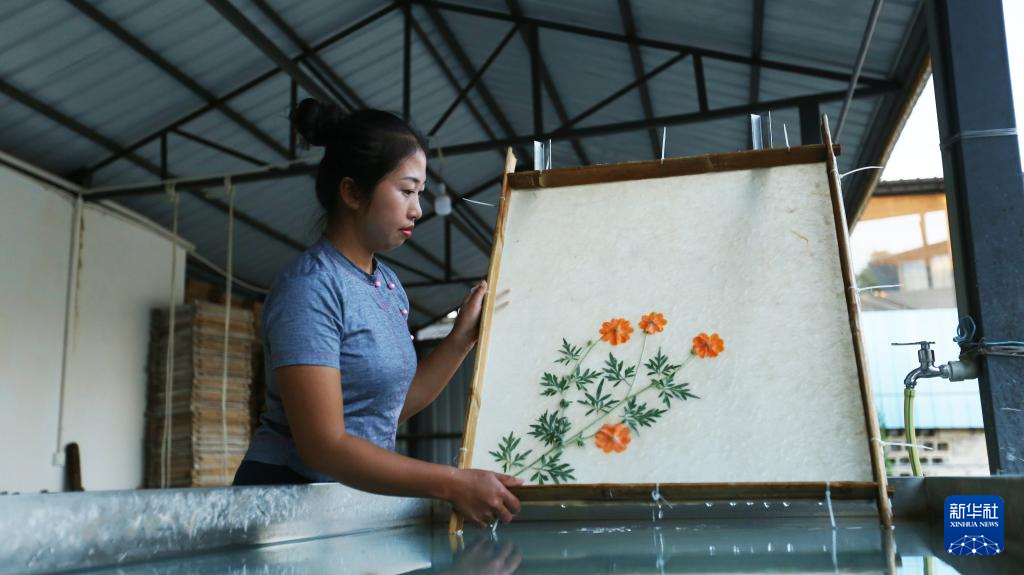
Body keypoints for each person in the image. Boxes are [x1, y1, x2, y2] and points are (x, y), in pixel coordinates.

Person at [234, 98, 521, 528]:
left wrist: (462, 338)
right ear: (352, 192)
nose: (417, 209)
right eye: (407, 190)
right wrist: (452, 482)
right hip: (286, 511)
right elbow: (323, 446)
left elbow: (388, 409)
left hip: (346, 505)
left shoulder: (386, 284)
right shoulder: (311, 288)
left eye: (419, 193)